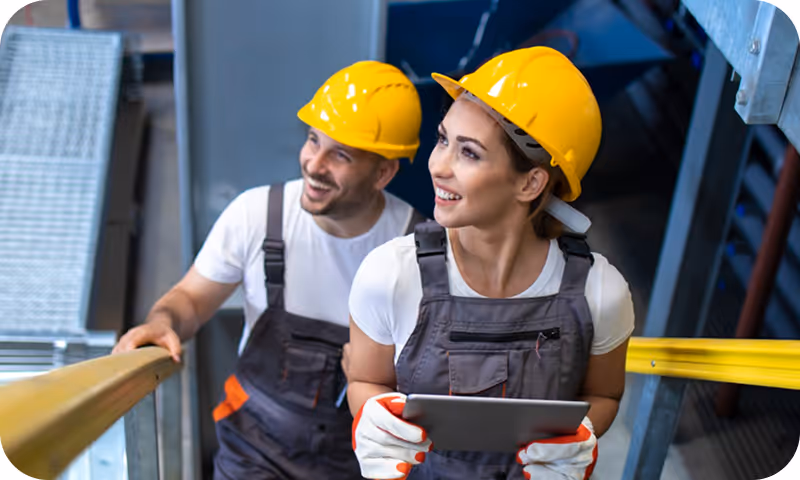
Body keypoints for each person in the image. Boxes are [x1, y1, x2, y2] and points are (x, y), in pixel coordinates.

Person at [112, 60, 427, 479]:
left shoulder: (413, 250)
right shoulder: (258, 215)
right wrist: (161, 320)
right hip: (253, 448)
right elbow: (189, 300)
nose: (314, 164)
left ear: (383, 172)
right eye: (313, 141)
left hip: (358, 459)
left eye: (340, 155)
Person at [345, 46, 635, 480]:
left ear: (531, 182)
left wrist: (582, 437)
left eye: (469, 153)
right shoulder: (390, 275)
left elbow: (605, 394)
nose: (438, 166)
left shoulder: (600, 293)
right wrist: (370, 418)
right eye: (443, 139)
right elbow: (365, 382)